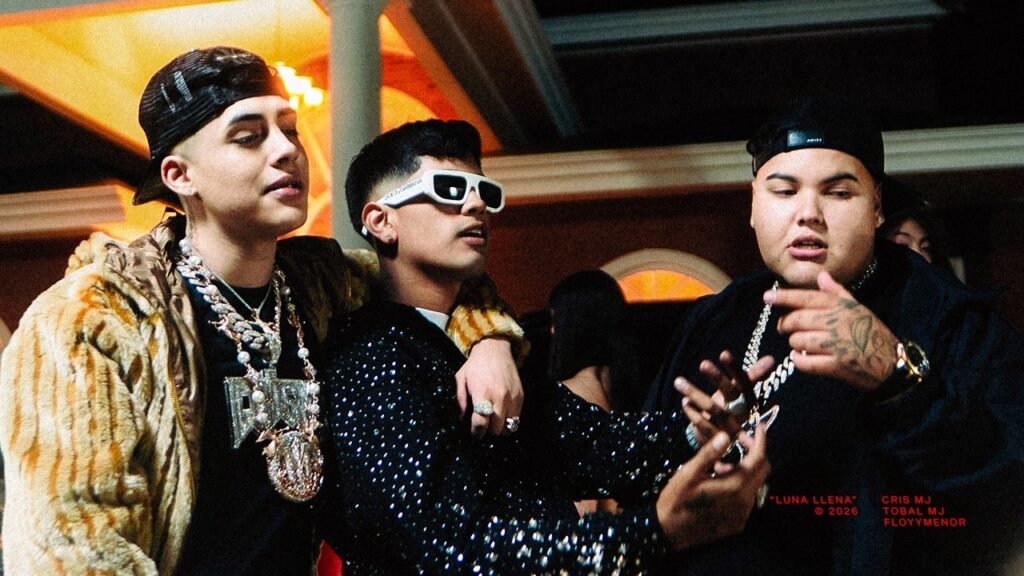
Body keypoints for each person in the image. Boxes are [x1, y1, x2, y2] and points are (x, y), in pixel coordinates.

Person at [0, 47, 526, 576]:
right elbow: (75, 550)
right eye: (249, 136)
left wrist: (490, 342)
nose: (287, 150)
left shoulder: (321, 284)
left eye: (290, 130)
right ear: (180, 175)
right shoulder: (93, 319)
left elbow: (438, 276)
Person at [317, 119, 771, 575]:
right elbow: (445, 544)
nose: (476, 205)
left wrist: (701, 427)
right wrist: (653, 532)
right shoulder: (369, 354)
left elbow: (596, 444)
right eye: (448, 189)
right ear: (381, 221)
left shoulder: (472, 347)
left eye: (484, 191)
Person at [647, 96, 1024, 575]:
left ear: (877, 207)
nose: (809, 213)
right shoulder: (714, 318)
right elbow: (641, 486)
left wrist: (900, 381)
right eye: (784, 191)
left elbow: (1005, 501)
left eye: (839, 193)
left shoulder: (945, 315)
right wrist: (691, 448)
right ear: (753, 205)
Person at [548, 269, 641, 413]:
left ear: (574, 324)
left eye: (556, 321)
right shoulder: (634, 391)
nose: (552, 330)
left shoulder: (560, 397)